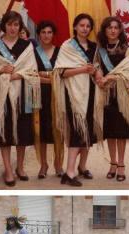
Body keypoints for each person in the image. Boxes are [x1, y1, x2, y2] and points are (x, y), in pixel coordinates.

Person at [0, 10, 39, 186]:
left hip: (22, 95)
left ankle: (19, 166)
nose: (13, 28)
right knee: (5, 134)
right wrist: (1, 71)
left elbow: (32, 70)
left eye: (16, 25)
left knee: (22, 134)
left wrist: (16, 76)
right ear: (4, 25)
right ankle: (8, 170)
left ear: (20, 27)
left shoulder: (26, 46)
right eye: (10, 24)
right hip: (1, 98)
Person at [54, 13, 98, 187]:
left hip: (91, 93)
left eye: (88, 26)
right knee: (76, 133)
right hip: (74, 94)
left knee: (87, 134)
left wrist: (96, 72)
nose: (85, 29)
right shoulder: (67, 46)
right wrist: (82, 70)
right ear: (75, 27)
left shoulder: (94, 47)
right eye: (81, 25)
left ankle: (77, 168)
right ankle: (69, 172)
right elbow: (61, 72)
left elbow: (97, 67)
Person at [94, 16, 129, 183]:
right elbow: (96, 66)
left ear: (120, 30)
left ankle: (122, 164)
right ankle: (113, 163)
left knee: (121, 131)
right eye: (109, 27)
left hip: (121, 94)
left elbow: (128, 71)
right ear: (104, 30)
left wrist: (108, 79)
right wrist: (99, 76)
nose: (112, 30)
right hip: (105, 94)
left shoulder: (126, 48)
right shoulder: (100, 49)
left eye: (116, 27)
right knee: (110, 131)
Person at [34, 19, 64, 178]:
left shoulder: (60, 52)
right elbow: (31, 74)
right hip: (39, 95)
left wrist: (43, 75)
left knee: (58, 129)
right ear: (38, 34)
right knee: (41, 131)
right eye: (43, 32)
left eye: (49, 32)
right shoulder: (32, 53)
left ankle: (58, 164)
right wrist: (50, 77)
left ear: (53, 34)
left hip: (57, 95)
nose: (46, 35)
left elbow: (63, 75)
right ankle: (43, 165)